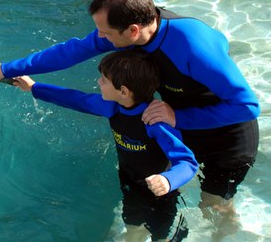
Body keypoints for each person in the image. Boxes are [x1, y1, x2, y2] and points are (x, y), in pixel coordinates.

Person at [0, 0, 260, 237]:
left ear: (133, 30)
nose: (101, 39)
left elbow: (247, 106)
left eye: (106, 33)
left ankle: (227, 233)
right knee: (166, 189)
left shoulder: (194, 44)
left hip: (227, 136)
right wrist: (7, 69)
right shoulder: (126, 32)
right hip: (174, 122)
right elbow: (69, 52)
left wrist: (177, 115)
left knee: (214, 205)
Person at [13, 49, 198, 241]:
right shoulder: (112, 107)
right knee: (132, 224)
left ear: (124, 91)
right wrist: (34, 87)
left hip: (161, 192)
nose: (98, 82)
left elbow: (187, 162)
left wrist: (168, 180)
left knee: (161, 234)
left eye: (104, 80)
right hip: (129, 182)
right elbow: (75, 99)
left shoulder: (155, 121)